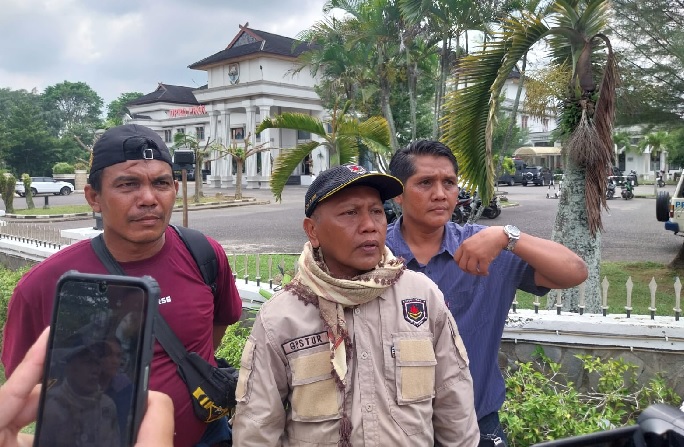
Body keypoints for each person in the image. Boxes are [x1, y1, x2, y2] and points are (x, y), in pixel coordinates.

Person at [1, 124, 243, 447]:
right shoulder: (42, 286)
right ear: (94, 197)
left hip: (208, 436)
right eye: (128, 184)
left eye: (161, 183)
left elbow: (219, 323)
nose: (148, 198)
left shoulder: (204, 254)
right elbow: (25, 380)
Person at [232, 164, 479, 446]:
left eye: (376, 211)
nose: (370, 225)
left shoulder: (421, 297)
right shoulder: (282, 317)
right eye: (350, 213)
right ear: (313, 231)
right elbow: (256, 428)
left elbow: (455, 404)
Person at [386, 140, 589, 445]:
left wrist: (507, 236)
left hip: (478, 424)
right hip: (394, 430)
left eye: (449, 182)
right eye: (425, 183)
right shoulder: (375, 254)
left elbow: (575, 271)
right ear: (398, 194)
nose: (440, 194)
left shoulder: (486, 247)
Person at [0, 327, 175, 447]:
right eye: (86, 362)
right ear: (69, 366)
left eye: (97, 362)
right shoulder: (52, 405)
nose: (94, 369)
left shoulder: (108, 404)